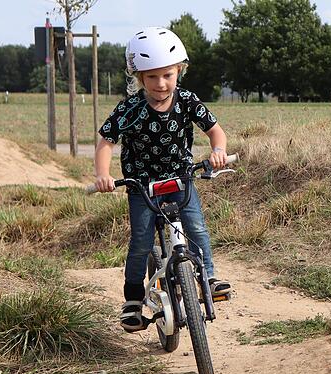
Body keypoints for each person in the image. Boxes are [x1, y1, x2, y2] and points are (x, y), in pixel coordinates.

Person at [93, 27, 231, 332]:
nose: (161, 83)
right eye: (152, 76)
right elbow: (106, 141)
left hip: (181, 178)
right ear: (139, 77)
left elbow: (214, 131)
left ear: (179, 71)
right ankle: (132, 300)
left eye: (167, 74)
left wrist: (218, 150)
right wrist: (103, 174)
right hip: (142, 186)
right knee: (141, 242)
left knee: (196, 228)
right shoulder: (130, 108)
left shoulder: (187, 101)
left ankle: (209, 277)